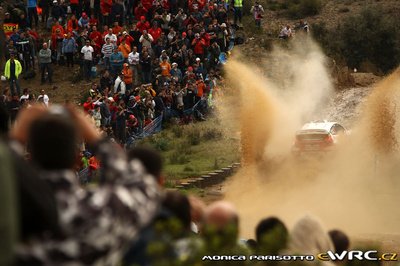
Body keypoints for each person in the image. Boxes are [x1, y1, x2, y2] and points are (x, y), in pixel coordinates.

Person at [11, 106, 159, 265]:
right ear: (76, 160)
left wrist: (13, 140)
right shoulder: (100, 210)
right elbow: (146, 187)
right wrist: (95, 137)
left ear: (30, 158)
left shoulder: (11, 210)